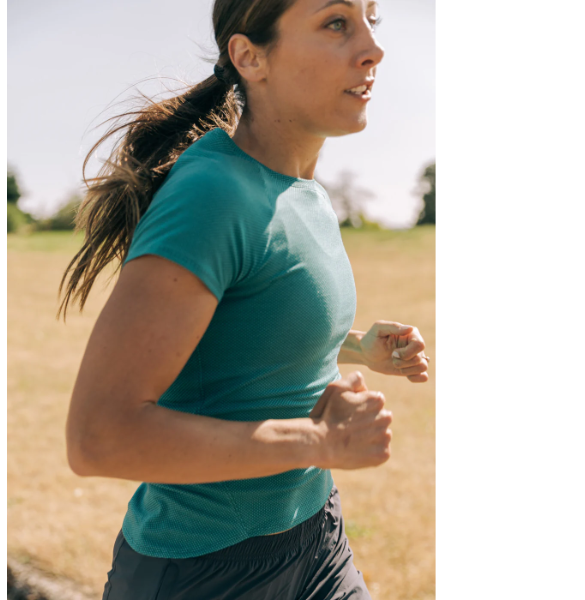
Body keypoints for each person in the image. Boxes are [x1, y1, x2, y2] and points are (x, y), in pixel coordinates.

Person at [60, 0, 429, 598]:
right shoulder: (211, 196)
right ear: (250, 57)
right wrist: (322, 442)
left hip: (316, 538)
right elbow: (99, 435)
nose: (373, 48)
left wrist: (356, 347)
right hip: (204, 573)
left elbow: (244, 337)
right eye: (337, 23)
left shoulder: (299, 187)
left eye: (371, 19)